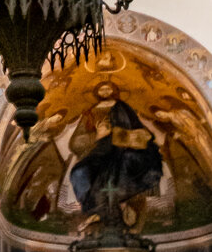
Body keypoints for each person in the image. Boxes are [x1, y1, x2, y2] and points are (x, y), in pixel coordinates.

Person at [68, 83, 163, 221]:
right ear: (97, 92)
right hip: (98, 152)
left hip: (123, 149)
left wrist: (119, 136)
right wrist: (96, 136)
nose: (105, 92)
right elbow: (75, 142)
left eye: (108, 89)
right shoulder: (90, 113)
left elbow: (138, 131)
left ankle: (121, 207)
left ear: (115, 91)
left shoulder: (123, 108)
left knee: (126, 163)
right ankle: (92, 209)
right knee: (78, 172)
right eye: (102, 89)